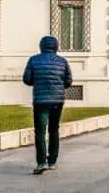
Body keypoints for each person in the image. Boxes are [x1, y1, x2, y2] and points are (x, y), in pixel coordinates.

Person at [22, 36, 72, 175]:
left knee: (40, 131)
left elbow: (26, 79)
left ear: (41, 46)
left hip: (40, 100)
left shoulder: (33, 60)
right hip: (57, 100)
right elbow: (68, 81)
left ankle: (41, 162)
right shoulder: (62, 61)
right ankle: (52, 162)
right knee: (54, 130)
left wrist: (37, 83)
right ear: (56, 46)